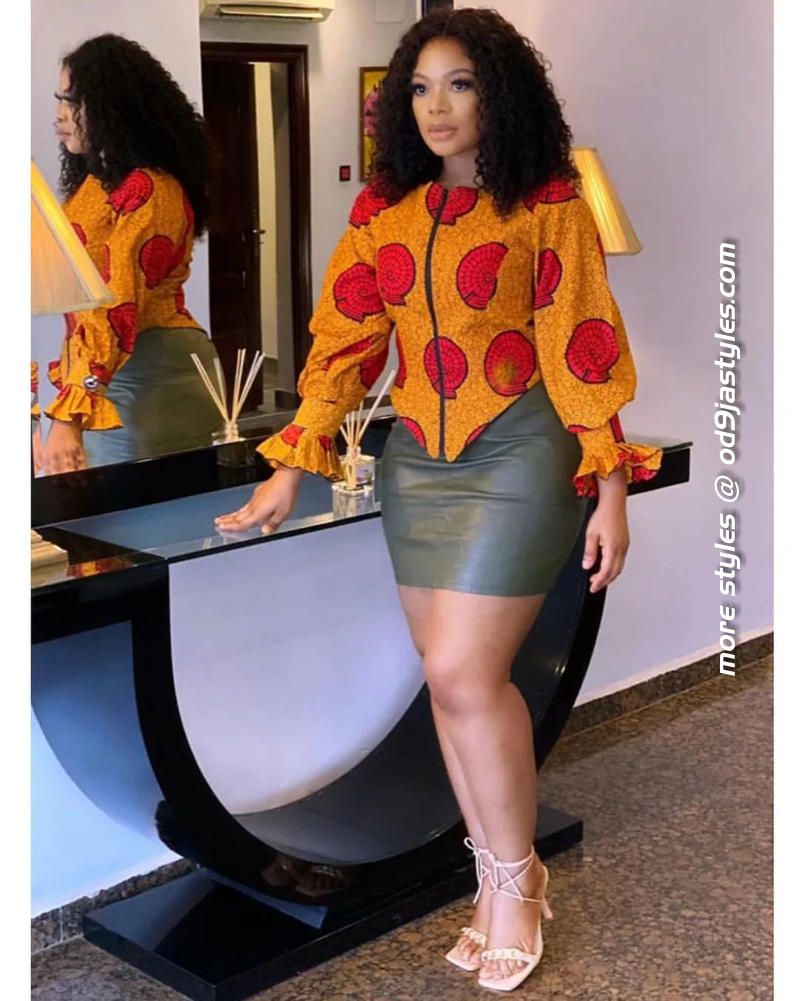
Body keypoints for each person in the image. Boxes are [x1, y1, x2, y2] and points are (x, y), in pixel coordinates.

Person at [216, 7, 663, 993]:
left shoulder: (548, 202)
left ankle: (515, 882)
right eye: (418, 88)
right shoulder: (383, 211)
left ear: (498, 92)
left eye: (459, 83)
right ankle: (498, 877)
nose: (435, 106)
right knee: (449, 680)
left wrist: (610, 487)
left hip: (521, 448)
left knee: (465, 674)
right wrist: (293, 463)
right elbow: (344, 339)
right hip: (417, 459)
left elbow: (581, 344)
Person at [41, 34, 221, 474]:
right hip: (107, 372)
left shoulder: (151, 189)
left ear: (110, 106)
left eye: (72, 101)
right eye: (60, 99)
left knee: (138, 511)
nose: (59, 114)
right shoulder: (96, 184)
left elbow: (117, 302)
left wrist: (70, 414)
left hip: (152, 372)